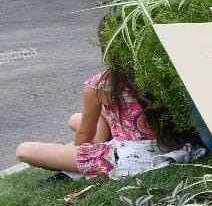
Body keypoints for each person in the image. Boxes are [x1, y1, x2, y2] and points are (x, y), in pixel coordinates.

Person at [15, 21, 188, 181]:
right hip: (171, 144)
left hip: (133, 159)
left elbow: (84, 135)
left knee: (24, 150)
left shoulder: (100, 84)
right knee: (75, 119)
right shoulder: (165, 69)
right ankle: (102, 144)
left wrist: (81, 155)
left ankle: (90, 159)